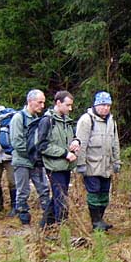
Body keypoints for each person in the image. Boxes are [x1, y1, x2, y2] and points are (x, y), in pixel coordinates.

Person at [76, 91, 121, 231]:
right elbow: (80, 143)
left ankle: (100, 219)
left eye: (108, 105)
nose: (105, 108)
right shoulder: (86, 120)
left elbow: (115, 143)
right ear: (96, 105)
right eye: (103, 105)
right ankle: (96, 222)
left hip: (106, 166)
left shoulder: (111, 121)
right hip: (91, 165)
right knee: (94, 193)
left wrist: (117, 161)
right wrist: (81, 163)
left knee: (104, 194)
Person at [9, 89, 50, 225]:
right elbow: (16, 142)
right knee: (23, 191)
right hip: (22, 162)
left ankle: (48, 216)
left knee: (44, 188)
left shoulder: (37, 120)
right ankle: (23, 218)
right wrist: (33, 154)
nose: (42, 106)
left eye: (43, 102)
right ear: (30, 101)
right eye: (39, 102)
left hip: (35, 162)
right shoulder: (18, 118)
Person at [39, 91, 80, 227]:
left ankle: (46, 225)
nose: (70, 108)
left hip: (66, 166)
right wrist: (64, 154)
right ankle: (62, 228)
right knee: (61, 197)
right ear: (58, 103)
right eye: (67, 105)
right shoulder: (47, 121)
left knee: (59, 195)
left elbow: (72, 136)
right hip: (54, 166)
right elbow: (42, 146)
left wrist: (76, 141)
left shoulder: (67, 121)